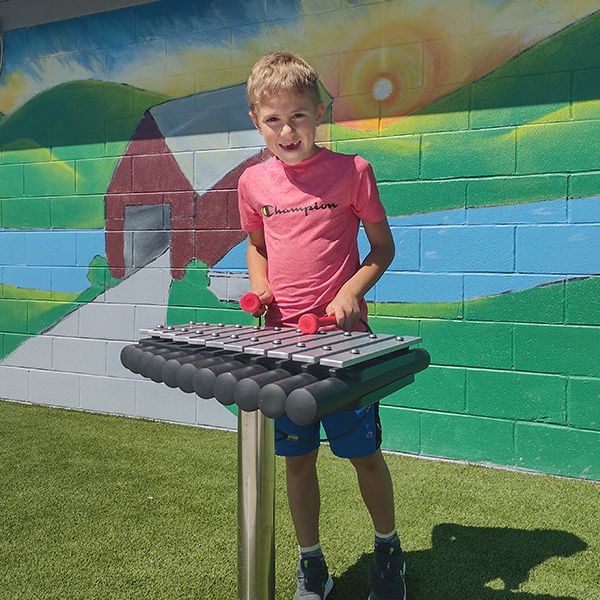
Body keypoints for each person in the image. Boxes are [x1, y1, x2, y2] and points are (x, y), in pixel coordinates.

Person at [237, 51, 404, 600]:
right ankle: (312, 564)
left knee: (364, 457)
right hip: (282, 349)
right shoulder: (252, 183)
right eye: (273, 120)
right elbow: (257, 247)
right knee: (297, 460)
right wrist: (261, 289)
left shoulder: (353, 171)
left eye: (299, 116)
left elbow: (382, 249)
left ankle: (388, 549)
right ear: (257, 122)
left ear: (320, 112)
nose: (287, 130)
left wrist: (352, 290)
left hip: (345, 350)